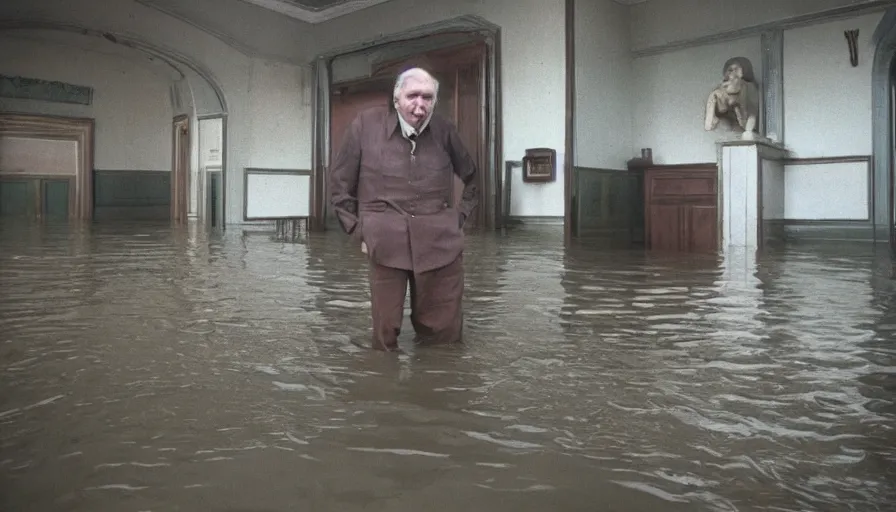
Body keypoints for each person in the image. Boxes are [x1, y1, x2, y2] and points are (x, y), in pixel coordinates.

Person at [328, 67, 479, 351]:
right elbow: (339, 186)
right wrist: (358, 231)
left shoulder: (445, 130)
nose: (420, 105)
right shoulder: (365, 126)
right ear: (396, 99)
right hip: (385, 241)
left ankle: (437, 389)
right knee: (385, 337)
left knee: (444, 337)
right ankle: (387, 390)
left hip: (440, 243)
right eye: (412, 96)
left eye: (427, 98)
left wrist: (458, 219)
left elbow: (473, 179)